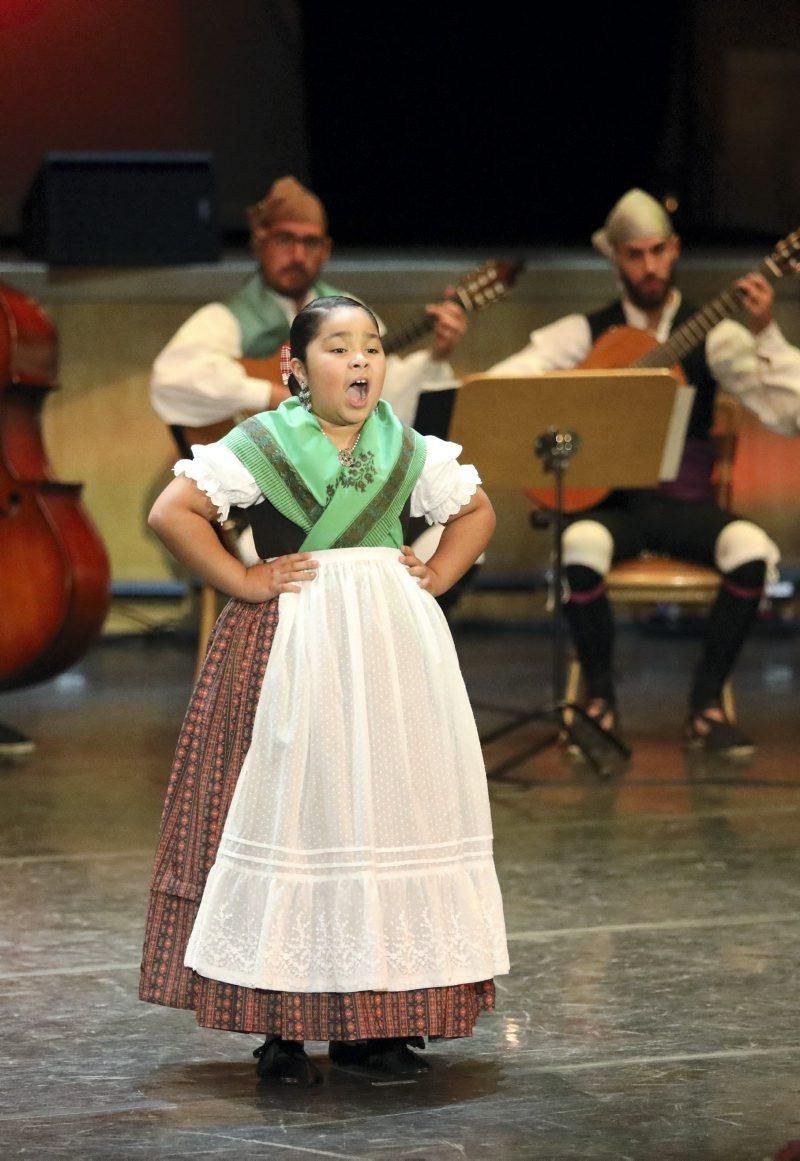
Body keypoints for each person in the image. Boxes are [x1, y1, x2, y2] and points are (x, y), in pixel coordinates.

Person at [139, 296, 509, 1086]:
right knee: (295, 819)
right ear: (297, 369)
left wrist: (436, 575)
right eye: (339, 348)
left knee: (381, 817)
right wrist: (242, 576)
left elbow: (475, 511)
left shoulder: (406, 447)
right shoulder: (264, 441)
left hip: (386, 659)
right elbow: (175, 510)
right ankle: (281, 1026)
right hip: (290, 650)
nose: (362, 361)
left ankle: (375, 1025)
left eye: (371, 347)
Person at [488, 189, 800, 755]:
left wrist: (766, 334)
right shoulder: (585, 334)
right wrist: (584, 397)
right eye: (635, 254)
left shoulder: (720, 335)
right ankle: (600, 700)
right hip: (612, 509)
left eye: (659, 251)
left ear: (675, 250)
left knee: (752, 551)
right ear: (616, 260)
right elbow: (507, 389)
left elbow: (791, 414)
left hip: (684, 505)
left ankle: (705, 706)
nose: (650, 266)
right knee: (579, 548)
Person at [150, 175, 467, 435]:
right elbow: (172, 378)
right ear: (260, 243)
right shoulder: (224, 319)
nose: (298, 256)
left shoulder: (349, 312)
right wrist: (273, 396)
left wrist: (438, 354)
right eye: (285, 240)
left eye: (310, 242)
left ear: (326, 250)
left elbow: (387, 387)